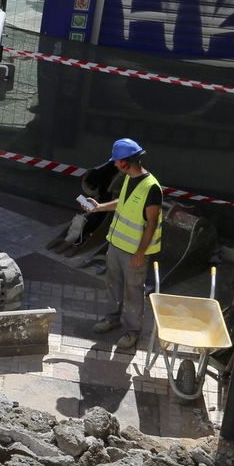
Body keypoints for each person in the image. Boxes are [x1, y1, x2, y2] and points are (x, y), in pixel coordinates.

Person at [90, 138, 163, 351]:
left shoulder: (152, 188)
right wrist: (99, 207)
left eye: (117, 161)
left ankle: (133, 332)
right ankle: (112, 319)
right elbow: (123, 203)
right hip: (117, 246)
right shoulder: (128, 179)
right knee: (113, 285)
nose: (114, 164)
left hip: (135, 252)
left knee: (133, 291)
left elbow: (152, 223)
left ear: (128, 161)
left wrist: (141, 252)